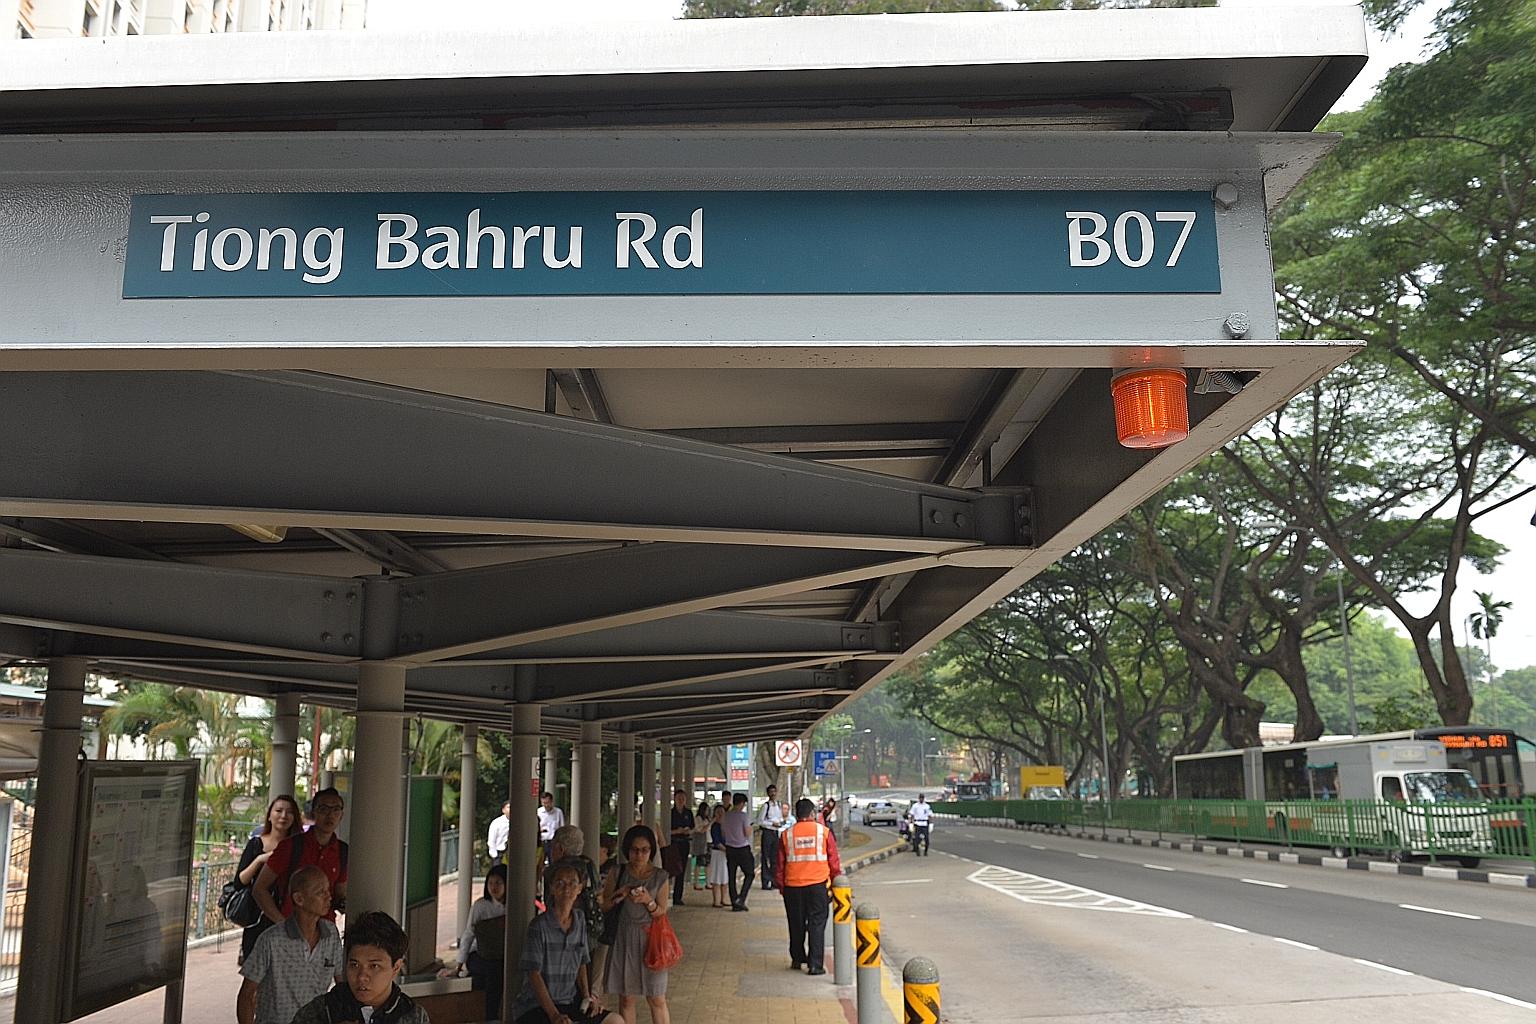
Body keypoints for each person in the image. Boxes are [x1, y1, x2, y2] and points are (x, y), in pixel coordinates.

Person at [510, 862, 624, 1024]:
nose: (567, 888)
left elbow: (581, 963)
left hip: (569, 1002)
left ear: (580, 888)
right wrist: (554, 1015)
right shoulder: (539, 926)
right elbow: (533, 974)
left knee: (615, 1020)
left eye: (572, 883)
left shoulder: (579, 920)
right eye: (560, 883)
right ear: (552, 888)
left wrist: (586, 998)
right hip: (537, 1006)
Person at [236, 865, 342, 1024]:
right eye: (320, 892)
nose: (329, 897)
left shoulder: (331, 934)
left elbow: (341, 984)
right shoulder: (271, 940)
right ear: (299, 899)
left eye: (328, 890)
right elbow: (246, 995)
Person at [292, 910, 428, 1024]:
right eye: (354, 965)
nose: (362, 976)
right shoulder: (324, 1009)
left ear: (396, 967)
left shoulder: (412, 1015)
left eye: (374, 966)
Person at [600, 825, 671, 1024]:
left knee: (656, 996)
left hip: (651, 939)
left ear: (651, 851)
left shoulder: (660, 876)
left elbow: (661, 912)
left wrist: (648, 901)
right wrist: (619, 894)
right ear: (627, 850)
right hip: (623, 938)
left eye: (645, 850)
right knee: (626, 997)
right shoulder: (618, 871)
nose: (639, 855)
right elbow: (604, 905)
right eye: (634, 850)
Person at [252, 788, 348, 926]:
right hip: (291, 929)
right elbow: (260, 888)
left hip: (325, 931)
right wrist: (282, 923)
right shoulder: (291, 846)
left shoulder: (342, 851)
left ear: (341, 815)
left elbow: (339, 894)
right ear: (313, 812)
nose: (330, 815)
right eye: (323, 809)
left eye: (335, 809)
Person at [776, 798, 841, 975]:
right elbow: (834, 861)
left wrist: (782, 887)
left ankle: (797, 958)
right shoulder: (824, 833)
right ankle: (815, 965)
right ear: (812, 813)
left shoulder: (786, 835)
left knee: (795, 923)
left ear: (796, 814)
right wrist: (837, 883)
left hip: (793, 886)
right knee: (817, 924)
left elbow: (780, 865)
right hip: (817, 885)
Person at [234, 794, 300, 965]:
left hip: (288, 914)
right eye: (278, 811)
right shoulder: (256, 843)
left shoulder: (297, 847)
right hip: (257, 917)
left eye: (289, 812)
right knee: (254, 972)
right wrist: (260, 860)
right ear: (270, 815)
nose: (283, 816)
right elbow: (240, 881)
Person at [544, 825, 607, 995]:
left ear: (560, 848)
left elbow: (549, 903)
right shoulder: (588, 864)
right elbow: (598, 892)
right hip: (591, 928)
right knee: (586, 970)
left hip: (563, 931)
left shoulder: (554, 871)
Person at [440, 864, 508, 1017]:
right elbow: (469, 934)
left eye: (498, 883)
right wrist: (458, 966)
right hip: (479, 955)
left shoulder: (513, 906)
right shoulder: (480, 906)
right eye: (490, 883)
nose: (493, 887)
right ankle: (491, 1016)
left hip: (503, 955)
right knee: (494, 970)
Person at [722, 792, 755, 911]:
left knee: (731, 875)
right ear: (741, 803)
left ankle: (734, 900)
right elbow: (747, 833)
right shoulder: (743, 816)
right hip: (742, 848)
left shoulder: (727, 816)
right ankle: (741, 898)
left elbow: (723, 832)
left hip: (730, 848)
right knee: (750, 873)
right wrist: (751, 828)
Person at [666, 790, 694, 907]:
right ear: (675, 799)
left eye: (683, 798)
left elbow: (693, 828)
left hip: (684, 843)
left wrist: (688, 831)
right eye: (679, 798)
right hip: (673, 843)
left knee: (681, 870)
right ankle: (666, 894)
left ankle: (678, 897)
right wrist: (677, 831)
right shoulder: (670, 813)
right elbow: (666, 829)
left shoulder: (688, 813)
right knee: (670, 869)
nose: (681, 800)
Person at [756, 784, 787, 891]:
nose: (773, 794)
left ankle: (774, 881)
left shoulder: (778, 805)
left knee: (775, 858)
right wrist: (771, 824)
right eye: (771, 792)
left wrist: (780, 823)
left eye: (774, 791)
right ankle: (765, 881)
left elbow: (779, 818)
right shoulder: (766, 806)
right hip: (768, 832)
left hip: (775, 833)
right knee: (765, 857)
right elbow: (760, 821)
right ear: (768, 793)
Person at [706, 804, 729, 907]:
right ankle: (716, 901)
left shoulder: (727, 825)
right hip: (718, 853)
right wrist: (726, 850)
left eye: (722, 812)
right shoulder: (715, 826)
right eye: (718, 812)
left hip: (726, 854)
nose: (720, 814)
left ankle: (723, 899)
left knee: (725, 878)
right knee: (717, 878)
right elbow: (717, 842)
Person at [538, 792, 566, 867]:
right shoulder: (539, 812)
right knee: (540, 862)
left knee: (553, 862)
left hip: (553, 841)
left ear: (551, 802)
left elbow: (561, 827)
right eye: (543, 803)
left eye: (547, 803)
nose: (546, 805)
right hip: (542, 840)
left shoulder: (558, 812)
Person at [689, 802, 711, 891]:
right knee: (699, 863)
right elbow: (700, 830)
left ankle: (708, 882)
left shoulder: (707, 819)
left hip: (709, 841)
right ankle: (696, 882)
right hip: (701, 843)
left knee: (708, 863)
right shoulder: (698, 819)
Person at [489, 799, 512, 866]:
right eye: (508, 807)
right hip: (500, 853)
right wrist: (494, 855)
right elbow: (491, 839)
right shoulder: (497, 823)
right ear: (503, 810)